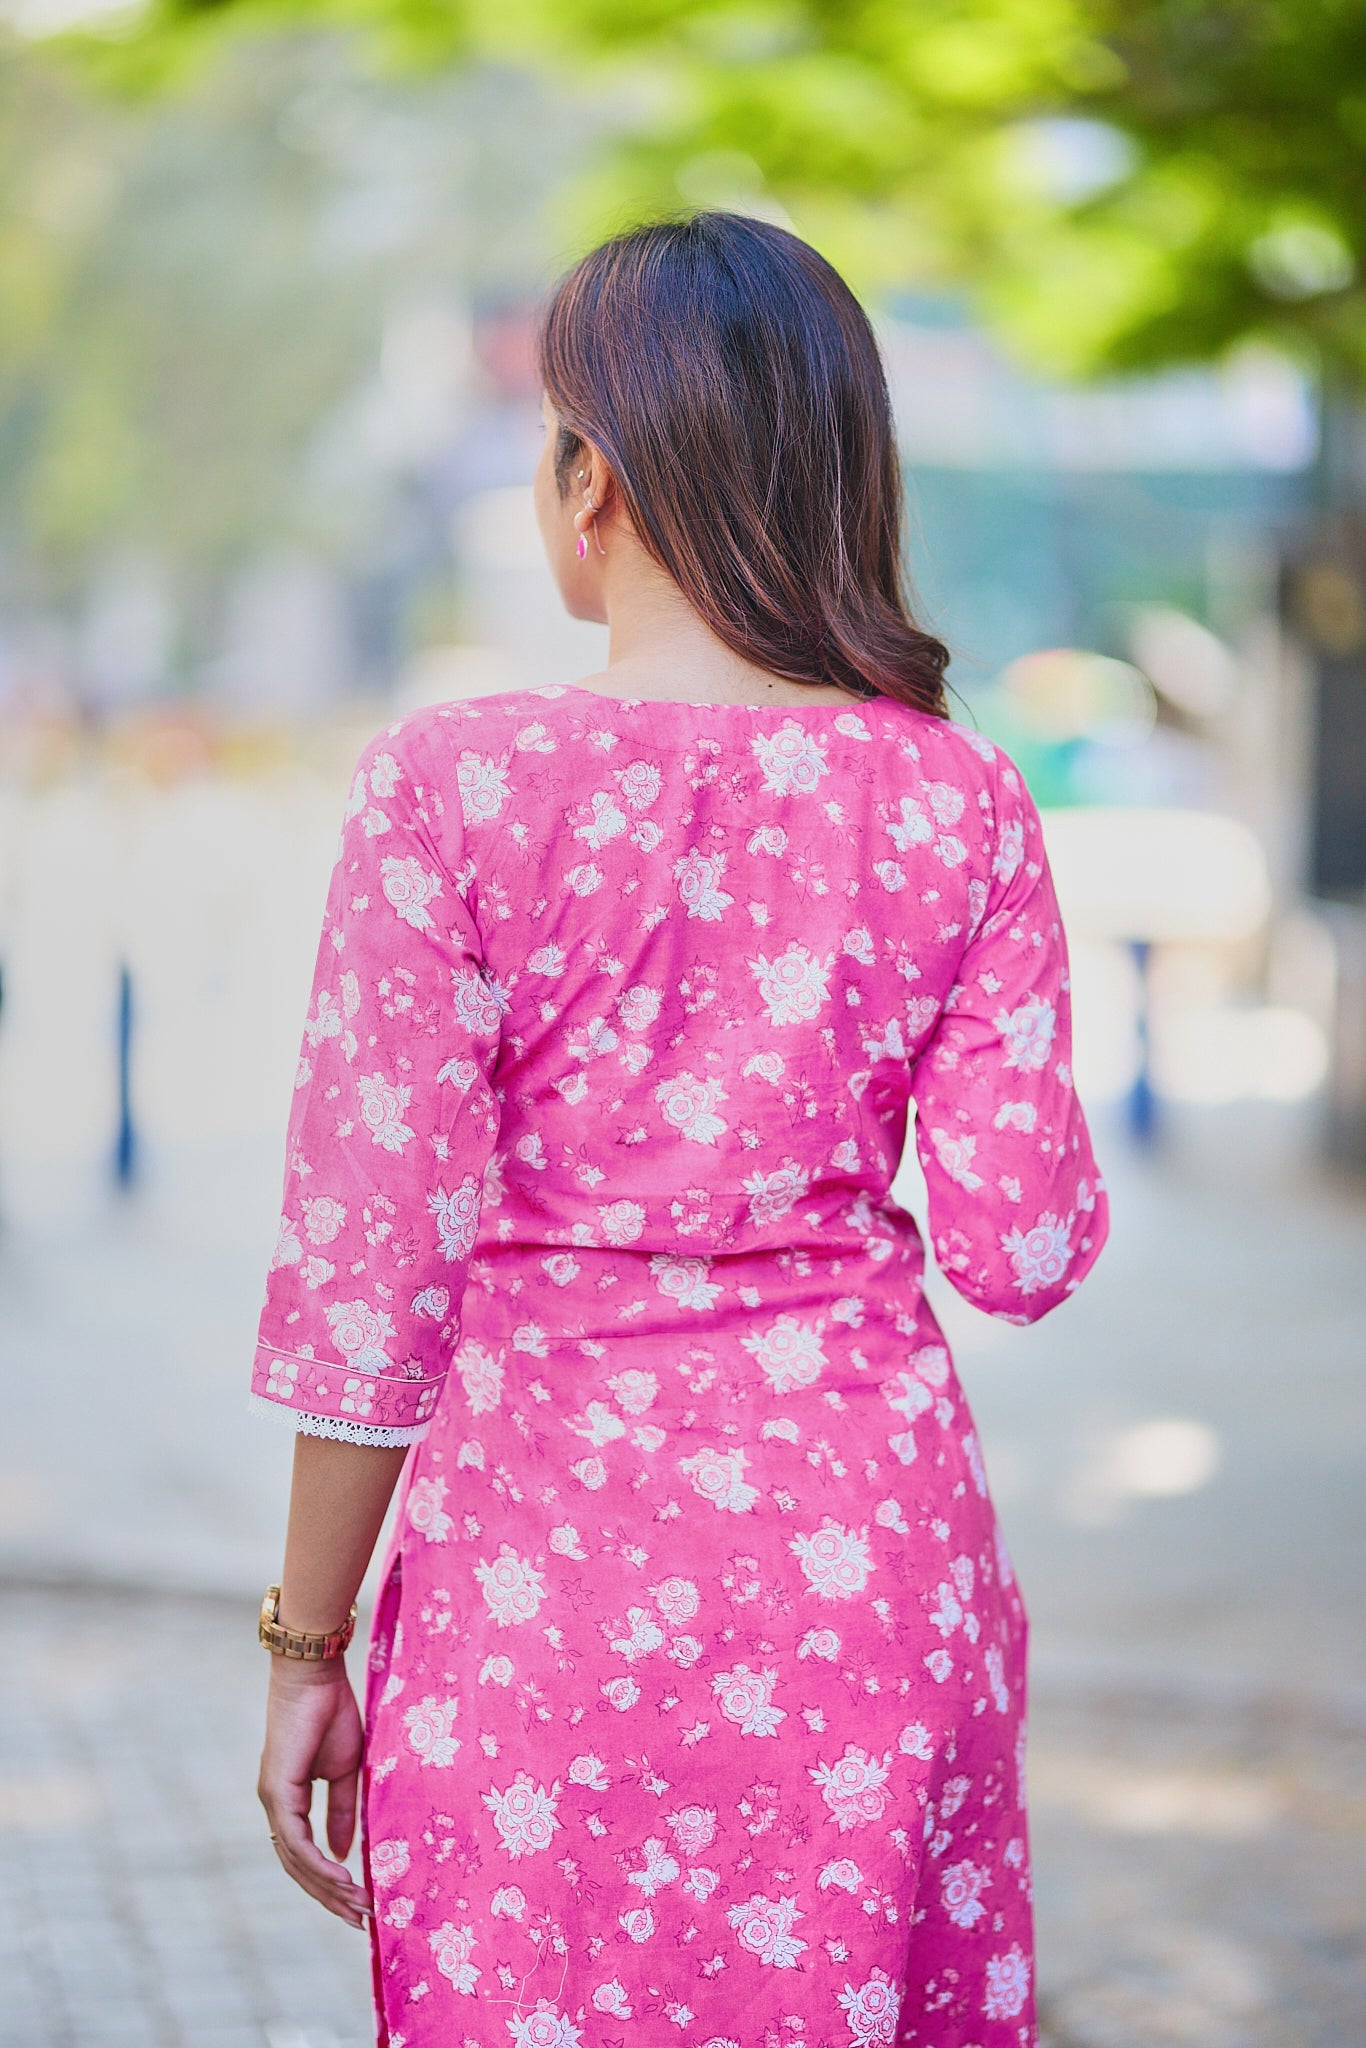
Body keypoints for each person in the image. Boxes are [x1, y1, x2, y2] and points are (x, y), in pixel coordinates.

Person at [253, 210, 1108, 2048]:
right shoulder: (953, 799)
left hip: (535, 1589)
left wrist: (307, 1647)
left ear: (592, 479)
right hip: (867, 1581)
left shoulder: (451, 787)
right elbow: (1020, 1249)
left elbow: (368, 1276)